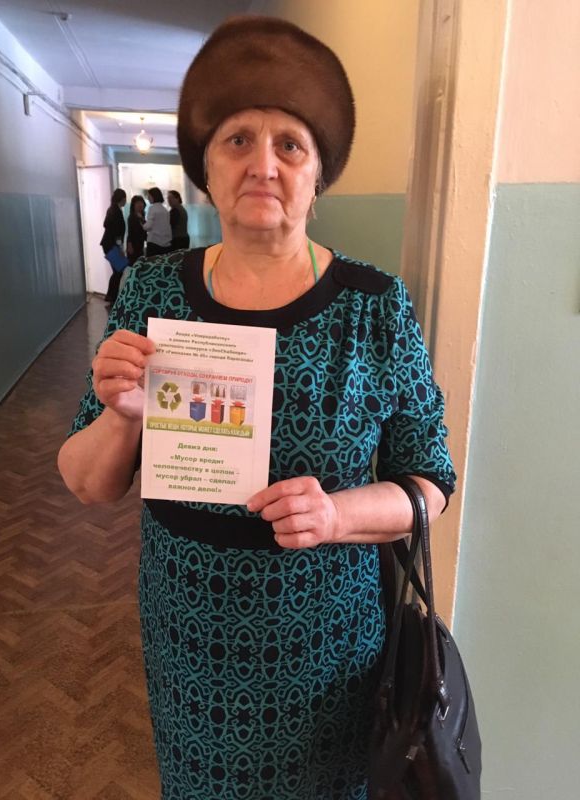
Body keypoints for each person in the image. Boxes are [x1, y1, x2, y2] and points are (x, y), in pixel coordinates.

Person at [58, 16, 455, 800]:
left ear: (318, 173)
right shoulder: (153, 291)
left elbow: (430, 483)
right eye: (238, 139)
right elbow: (86, 483)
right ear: (206, 165)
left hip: (331, 648)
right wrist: (124, 413)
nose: (263, 164)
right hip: (189, 640)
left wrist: (336, 515)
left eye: (290, 145)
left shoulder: (375, 305)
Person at [99, 188, 126, 304]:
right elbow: (117, 232)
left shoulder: (111, 209)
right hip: (112, 245)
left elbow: (107, 225)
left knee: (118, 270)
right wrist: (120, 248)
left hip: (108, 244)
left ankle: (111, 296)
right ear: (122, 199)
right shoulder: (117, 211)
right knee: (119, 270)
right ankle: (112, 296)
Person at [143, 186, 171, 256]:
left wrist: (143, 225)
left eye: (149, 196)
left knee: (152, 261)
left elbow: (148, 226)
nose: (148, 198)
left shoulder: (152, 208)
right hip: (165, 243)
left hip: (154, 242)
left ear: (153, 196)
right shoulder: (165, 210)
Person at [126, 194, 147, 265]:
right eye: (137, 203)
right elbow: (130, 233)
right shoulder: (131, 217)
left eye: (141, 202)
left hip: (140, 244)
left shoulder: (142, 216)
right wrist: (129, 245)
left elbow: (145, 228)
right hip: (133, 244)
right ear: (133, 205)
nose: (140, 205)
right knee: (133, 264)